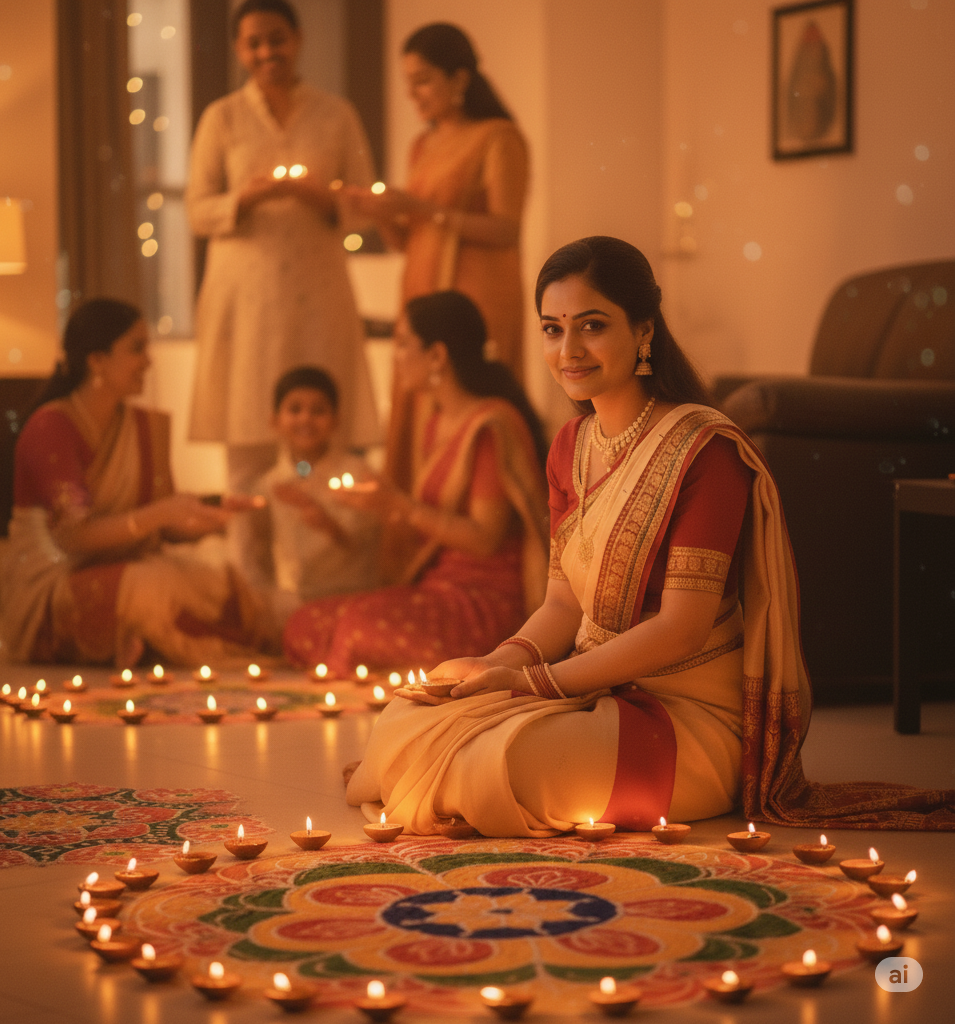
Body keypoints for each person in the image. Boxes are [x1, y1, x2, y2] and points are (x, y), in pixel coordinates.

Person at [346, 237, 955, 835]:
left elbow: (681, 627)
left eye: (591, 326)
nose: (569, 350)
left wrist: (531, 684)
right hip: (591, 688)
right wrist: (494, 663)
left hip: (686, 720)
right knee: (406, 716)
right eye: (552, 329)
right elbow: (563, 604)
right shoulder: (570, 447)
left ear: (643, 332)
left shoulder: (704, 450)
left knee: (494, 762)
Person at [187, 0, 379, 560]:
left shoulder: (336, 113)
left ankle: (333, 569)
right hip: (244, 299)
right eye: (253, 43)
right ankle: (249, 579)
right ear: (237, 50)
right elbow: (198, 212)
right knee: (248, 437)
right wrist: (247, 197)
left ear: (297, 39)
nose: (266, 52)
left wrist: (322, 197)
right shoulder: (221, 118)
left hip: (317, 293)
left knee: (325, 430)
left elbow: (365, 205)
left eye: (276, 38)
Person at [283, 291, 550, 678]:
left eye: (404, 344)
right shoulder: (435, 421)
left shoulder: (490, 425)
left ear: (437, 356)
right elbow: (425, 522)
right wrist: (381, 506)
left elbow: (484, 538)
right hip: (437, 588)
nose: (397, 357)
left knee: (355, 628)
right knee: (305, 622)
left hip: (486, 602)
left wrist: (400, 506)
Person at [1, 299, 269, 668]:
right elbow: (74, 537)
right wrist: (161, 514)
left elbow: (164, 529)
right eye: (137, 348)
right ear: (96, 360)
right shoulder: (51, 428)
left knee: (216, 580)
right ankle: (139, 640)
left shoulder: (144, 427)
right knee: (149, 586)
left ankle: (141, 640)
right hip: (55, 580)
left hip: (128, 563)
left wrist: (208, 518)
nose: (149, 361)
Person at [348, 22, 530, 489]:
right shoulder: (422, 146)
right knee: (419, 403)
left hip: (477, 296)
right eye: (408, 83)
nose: (413, 94)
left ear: (460, 79)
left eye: (423, 80)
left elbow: (506, 229)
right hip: (424, 289)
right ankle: (419, 531)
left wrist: (421, 209)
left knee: (463, 398)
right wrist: (380, 214)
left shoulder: (498, 137)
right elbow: (409, 241)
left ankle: (476, 525)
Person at [252, 365, 381, 637]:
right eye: (295, 409)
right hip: (292, 600)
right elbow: (259, 550)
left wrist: (327, 523)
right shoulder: (268, 484)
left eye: (318, 410)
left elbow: (369, 547)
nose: (306, 419)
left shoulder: (358, 474)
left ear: (335, 420)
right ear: (274, 421)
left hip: (348, 597)